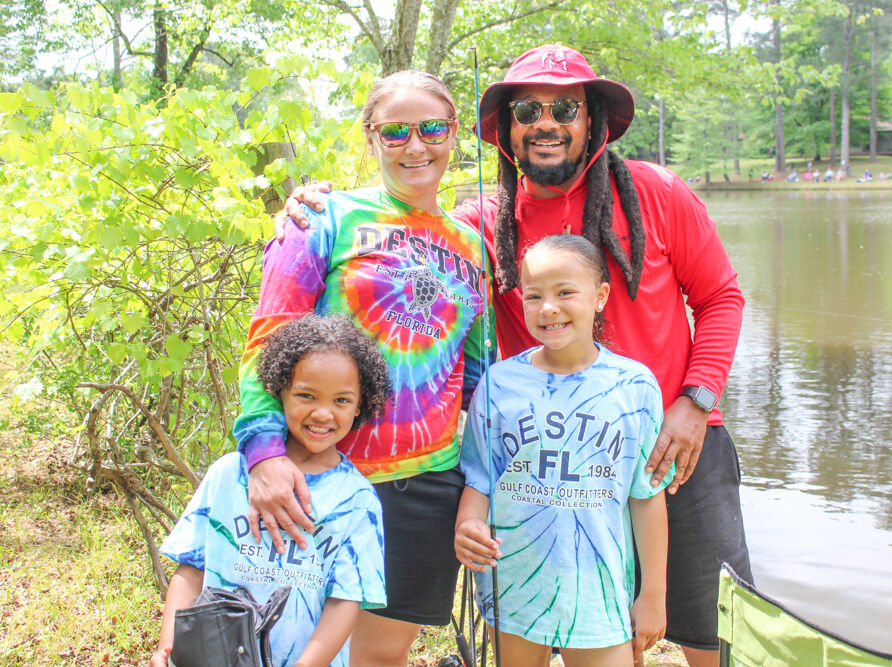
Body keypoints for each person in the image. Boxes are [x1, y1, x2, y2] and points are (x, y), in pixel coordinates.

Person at [280, 45, 752, 667]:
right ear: (506, 129)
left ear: (594, 122)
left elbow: (721, 296)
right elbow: (409, 227)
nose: (546, 122)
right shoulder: (484, 222)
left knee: (707, 627)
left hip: (672, 442)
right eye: (528, 109)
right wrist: (317, 209)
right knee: (592, 624)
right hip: (550, 459)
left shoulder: (656, 191)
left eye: (565, 108)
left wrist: (696, 402)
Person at [238, 70, 492, 666]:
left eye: (432, 128)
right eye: (395, 131)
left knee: (379, 657)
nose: (416, 145)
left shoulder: (472, 245)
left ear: (454, 134)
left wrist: (482, 487)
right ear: (370, 138)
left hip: (425, 487)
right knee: (295, 648)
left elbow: (477, 375)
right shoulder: (321, 219)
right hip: (319, 477)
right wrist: (265, 455)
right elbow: (268, 339)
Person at [456, 235, 670, 667]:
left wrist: (653, 596)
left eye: (565, 292)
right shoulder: (498, 384)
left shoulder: (636, 386)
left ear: (600, 297)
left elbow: (646, 498)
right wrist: (467, 524)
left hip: (598, 592)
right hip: (512, 584)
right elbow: (481, 478)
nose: (548, 308)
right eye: (533, 296)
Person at [149, 314, 391, 667]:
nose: (323, 413)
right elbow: (191, 570)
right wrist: (169, 647)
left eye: (341, 400)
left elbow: (345, 600)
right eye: (306, 395)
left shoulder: (358, 500)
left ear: (360, 405)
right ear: (280, 390)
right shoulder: (228, 475)